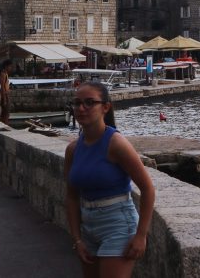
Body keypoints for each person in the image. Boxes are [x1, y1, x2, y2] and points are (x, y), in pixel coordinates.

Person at [65, 82, 154, 278]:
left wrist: (141, 235)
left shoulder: (116, 144)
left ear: (105, 107)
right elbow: (71, 196)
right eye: (77, 103)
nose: (81, 108)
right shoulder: (72, 149)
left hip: (117, 224)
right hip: (88, 227)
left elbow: (147, 189)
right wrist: (77, 239)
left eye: (89, 102)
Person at [0, 60, 13, 125]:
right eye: (10, 66)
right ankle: (4, 125)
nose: (11, 68)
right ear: (6, 66)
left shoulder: (5, 74)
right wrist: (4, 99)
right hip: (5, 95)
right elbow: (2, 87)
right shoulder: (3, 74)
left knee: (7, 113)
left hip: (6, 94)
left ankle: (5, 124)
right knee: (5, 113)